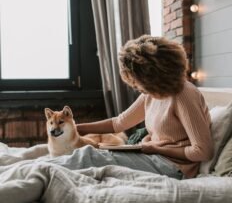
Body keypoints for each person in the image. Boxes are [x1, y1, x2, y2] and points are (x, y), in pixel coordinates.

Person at [76, 35, 213, 179]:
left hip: (174, 167)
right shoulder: (152, 93)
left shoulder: (184, 95)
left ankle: (49, 174)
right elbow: (119, 123)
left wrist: (157, 149)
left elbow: (203, 151)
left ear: (152, 75)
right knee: (90, 154)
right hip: (153, 157)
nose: (134, 86)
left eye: (136, 80)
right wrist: (77, 128)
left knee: (90, 158)